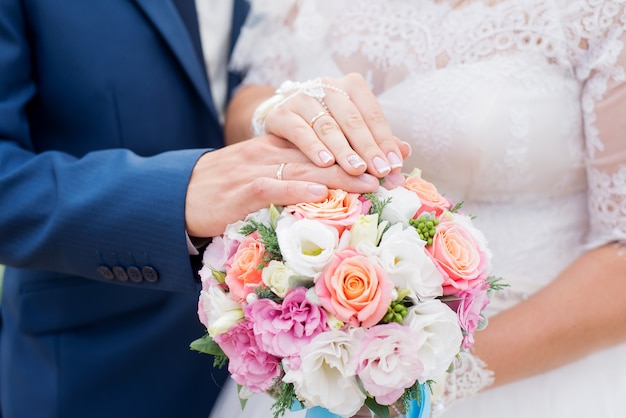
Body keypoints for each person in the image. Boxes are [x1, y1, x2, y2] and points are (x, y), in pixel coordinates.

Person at [217, 0, 626, 417]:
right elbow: (246, 111)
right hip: (318, 366)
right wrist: (275, 113)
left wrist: (404, 380)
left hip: (524, 375)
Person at [0, 1, 409, 418]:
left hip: (289, 357)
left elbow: (248, 80)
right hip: (101, 363)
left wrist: (268, 114)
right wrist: (178, 193)